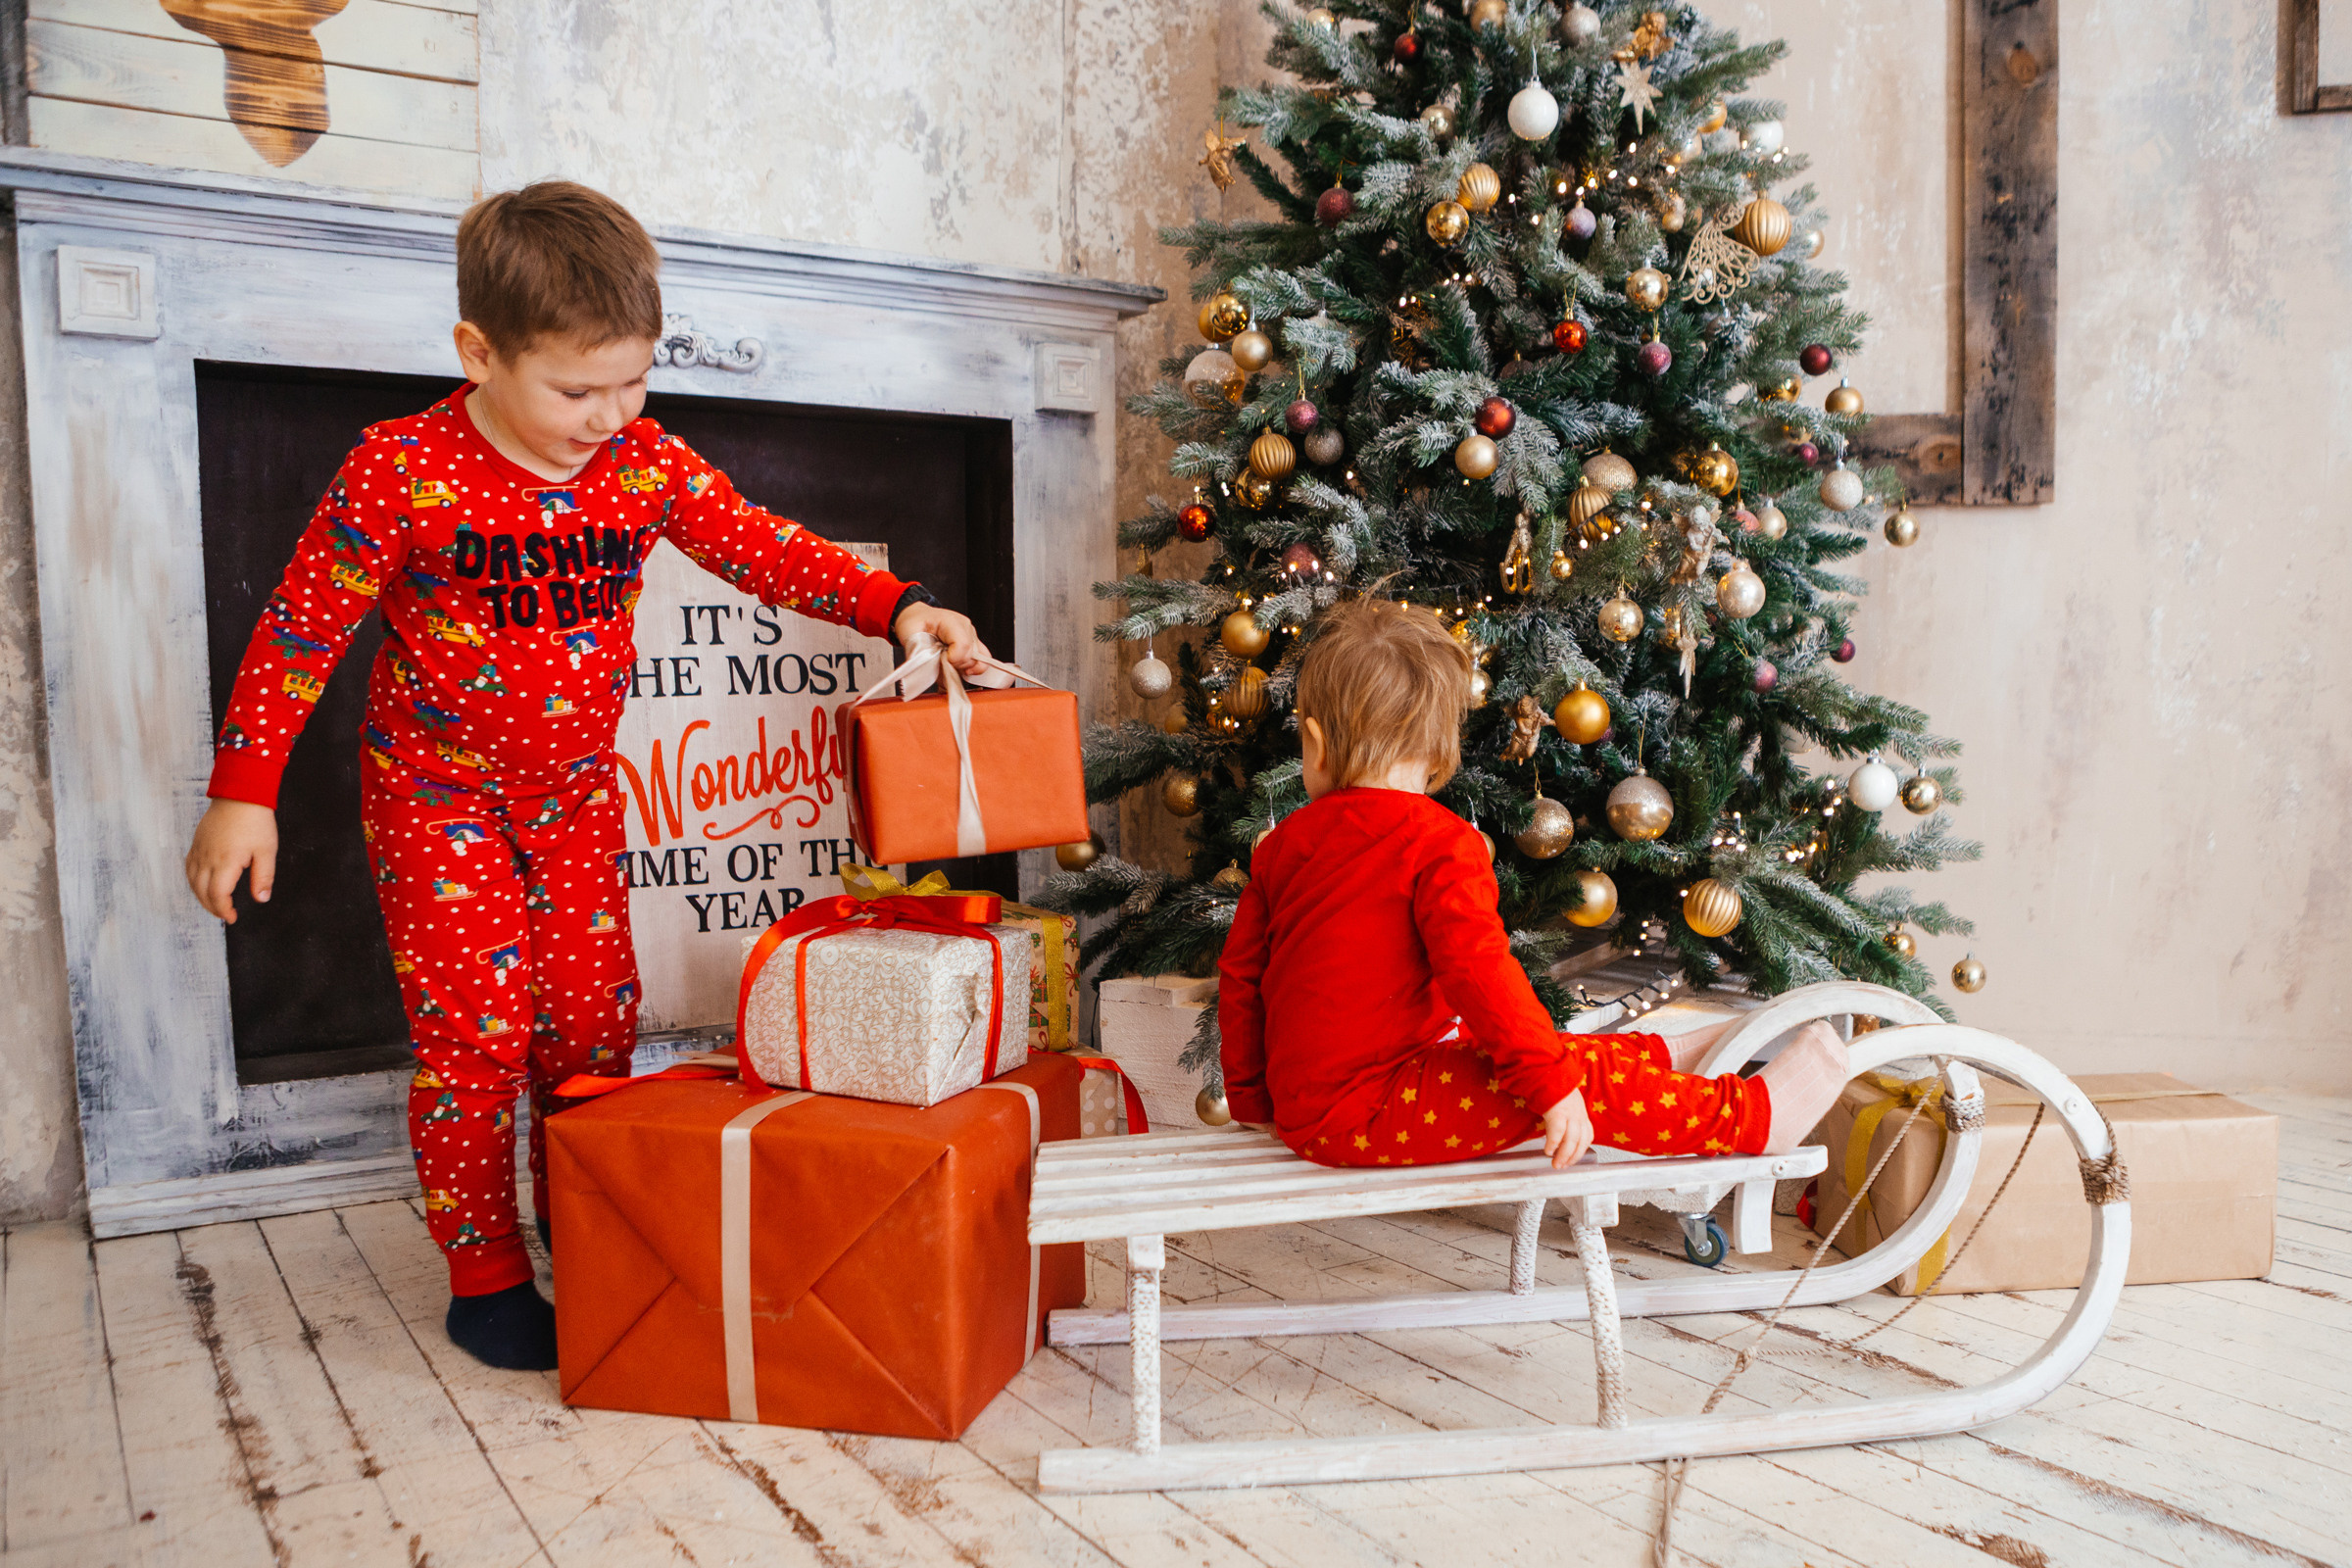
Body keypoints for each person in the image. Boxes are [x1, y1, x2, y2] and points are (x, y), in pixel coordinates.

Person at [182, 181, 982, 1371]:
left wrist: (898, 604)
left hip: (571, 800)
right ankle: (486, 1272)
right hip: (436, 795)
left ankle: (593, 1225)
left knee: (593, 1027)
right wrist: (244, 788)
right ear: (479, 353)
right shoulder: (400, 470)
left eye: (634, 380)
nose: (611, 412)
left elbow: (760, 543)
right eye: (576, 387)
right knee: (476, 1039)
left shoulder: (642, 464)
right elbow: (301, 631)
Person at [1217, 600, 1850, 1171]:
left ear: (1317, 742)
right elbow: (1480, 977)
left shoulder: (1283, 846)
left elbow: (1242, 977)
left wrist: (1252, 1099)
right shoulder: (1440, 844)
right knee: (1552, 1078)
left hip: (1317, 1109)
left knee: (1540, 1054)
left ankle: (1657, 1057)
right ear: (1441, 748)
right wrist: (1551, 1092)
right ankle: (1750, 1118)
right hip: (1371, 1111)